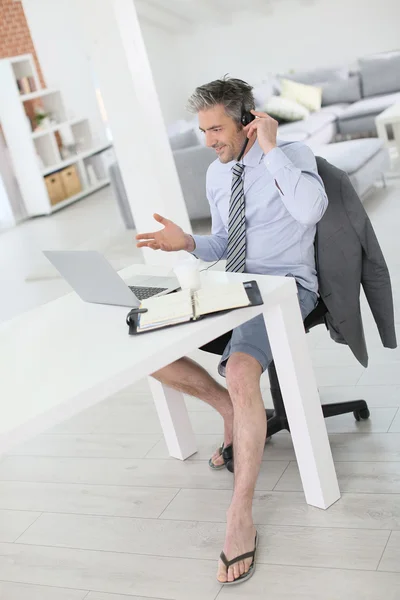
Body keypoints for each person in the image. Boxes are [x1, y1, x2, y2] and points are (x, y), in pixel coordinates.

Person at [136, 77, 328, 585]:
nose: (209, 141)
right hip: (231, 284)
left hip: (286, 289)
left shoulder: (293, 155)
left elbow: (312, 211)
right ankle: (228, 410)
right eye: (203, 130)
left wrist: (271, 150)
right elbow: (224, 241)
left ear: (247, 120)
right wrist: (187, 244)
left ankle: (239, 517)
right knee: (144, 343)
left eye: (216, 128)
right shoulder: (217, 175)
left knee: (242, 370)